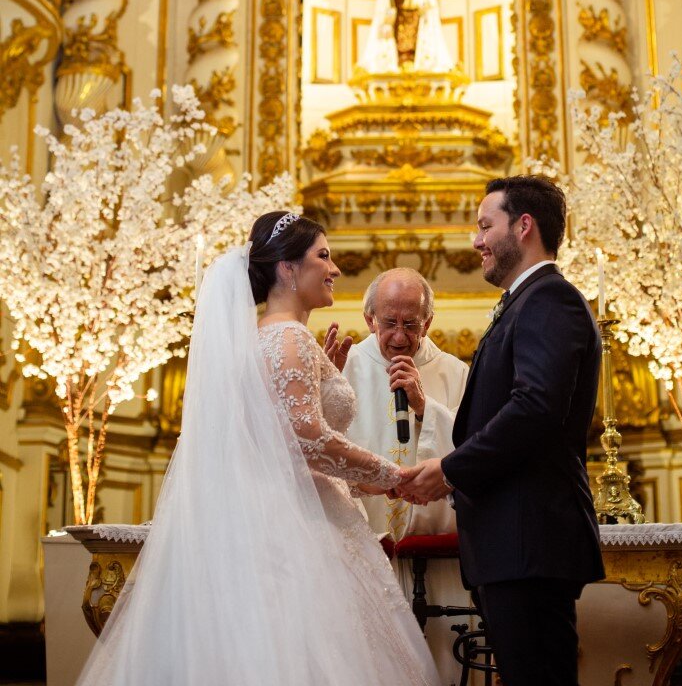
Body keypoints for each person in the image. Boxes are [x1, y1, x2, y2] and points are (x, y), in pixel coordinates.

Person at [76, 211, 441, 686]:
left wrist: (323, 379)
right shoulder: (288, 336)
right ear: (287, 268)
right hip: (299, 527)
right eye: (323, 256)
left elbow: (274, 435)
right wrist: (391, 475)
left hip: (278, 510)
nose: (334, 269)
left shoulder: (261, 338)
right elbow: (307, 440)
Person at [398, 176, 605, 686]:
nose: (476, 240)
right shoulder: (525, 302)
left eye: (485, 225)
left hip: (528, 539)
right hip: (514, 543)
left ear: (524, 225)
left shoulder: (548, 300)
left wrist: (449, 469)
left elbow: (534, 408)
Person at [326, 267, 469, 684]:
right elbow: (316, 450)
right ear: (370, 318)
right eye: (389, 323)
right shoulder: (343, 368)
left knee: (442, 660)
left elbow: (476, 454)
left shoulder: (455, 373)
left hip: (439, 558)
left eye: (411, 324)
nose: (401, 337)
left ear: (429, 322)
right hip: (363, 553)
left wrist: (426, 408)